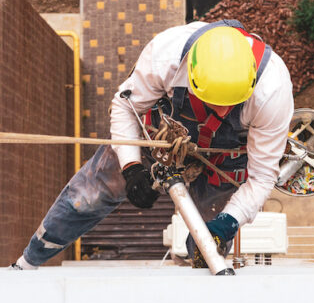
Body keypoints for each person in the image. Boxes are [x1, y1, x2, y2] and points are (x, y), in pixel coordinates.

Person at [10, 19, 294, 270]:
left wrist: (229, 221)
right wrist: (132, 167)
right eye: (214, 101)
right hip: (162, 133)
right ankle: (28, 261)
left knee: (208, 247)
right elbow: (124, 107)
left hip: (225, 159)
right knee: (90, 194)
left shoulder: (272, 91)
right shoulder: (166, 57)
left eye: (230, 102)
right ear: (192, 76)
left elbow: (262, 176)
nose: (222, 112)